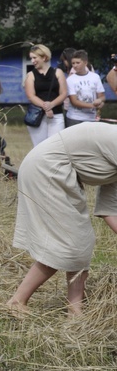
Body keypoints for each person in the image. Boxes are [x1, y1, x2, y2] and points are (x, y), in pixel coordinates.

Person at [7, 122, 117, 317]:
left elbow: (109, 209)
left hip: (59, 174)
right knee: (66, 243)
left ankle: (75, 311)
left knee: (80, 241)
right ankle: (17, 301)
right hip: (48, 170)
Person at [24, 44, 68, 147]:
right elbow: (31, 96)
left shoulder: (58, 72)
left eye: (35, 58)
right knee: (40, 147)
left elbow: (63, 93)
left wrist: (52, 105)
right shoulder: (30, 75)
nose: (32, 61)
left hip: (56, 115)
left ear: (44, 57)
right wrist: (46, 108)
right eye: (31, 58)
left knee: (57, 146)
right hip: (37, 116)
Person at [65, 50, 105, 127]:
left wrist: (100, 101)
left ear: (85, 63)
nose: (75, 65)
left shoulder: (95, 77)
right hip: (75, 118)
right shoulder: (70, 79)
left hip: (91, 118)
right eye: (73, 63)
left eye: (78, 63)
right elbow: (74, 101)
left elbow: (102, 96)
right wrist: (93, 106)